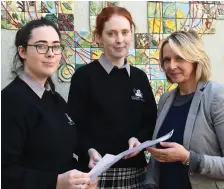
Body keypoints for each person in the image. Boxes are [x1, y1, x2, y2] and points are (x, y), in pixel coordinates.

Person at [2, 17, 97, 189]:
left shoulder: (56, 99)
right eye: (41, 46)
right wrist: (56, 182)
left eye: (55, 46)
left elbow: (63, 154)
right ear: (22, 51)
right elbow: (5, 173)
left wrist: (84, 171)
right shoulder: (10, 101)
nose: (51, 53)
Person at [67, 6, 157, 188]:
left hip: (137, 173)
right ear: (98, 37)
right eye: (111, 34)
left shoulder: (140, 77)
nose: (120, 40)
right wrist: (88, 150)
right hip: (96, 175)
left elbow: (151, 121)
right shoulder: (84, 77)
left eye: (125, 32)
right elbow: (72, 126)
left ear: (131, 33)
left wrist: (139, 139)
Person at [144, 30, 224, 189]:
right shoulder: (165, 99)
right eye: (167, 60)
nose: (171, 66)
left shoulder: (216, 96)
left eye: (179, 58)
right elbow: (157, 158)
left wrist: (188, 158)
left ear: (195, 59)